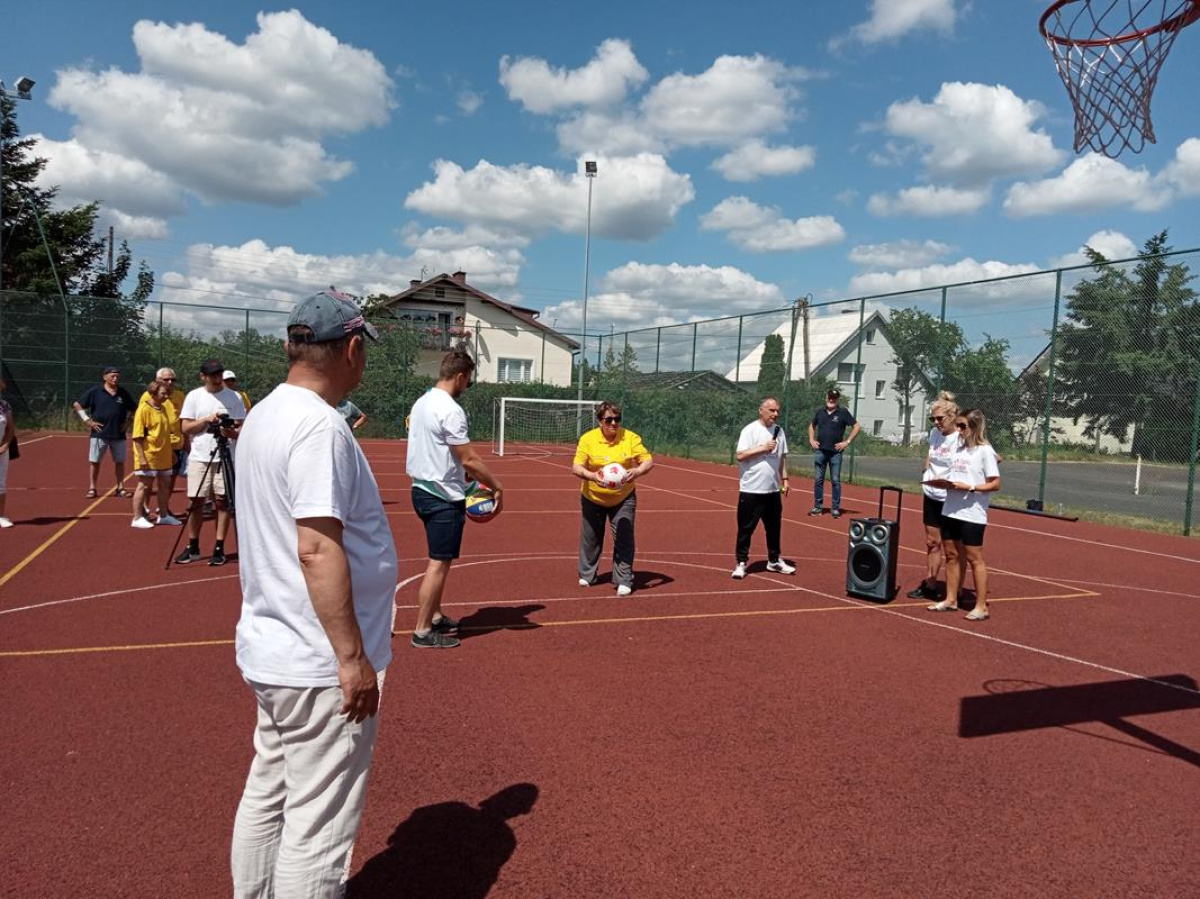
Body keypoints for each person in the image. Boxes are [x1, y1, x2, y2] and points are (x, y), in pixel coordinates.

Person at [230, 289, 397, 897]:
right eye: (364, 350)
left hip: (274, 647)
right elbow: (317, 549)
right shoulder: (319, 426)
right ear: (351, 348)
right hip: (317, 661)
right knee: (319, 826)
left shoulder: (264, 414)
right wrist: (351, 658)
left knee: (269, 792)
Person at [405, 349, 504, 648]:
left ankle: (435, 616)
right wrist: (496, 486)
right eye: (468, 381)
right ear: (460, 377)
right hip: (442, 497)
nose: (466, 386)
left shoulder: (422, 402)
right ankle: (423, 631)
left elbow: (440, 450)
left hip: (421, 489)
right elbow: (469, 458)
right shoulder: (450, 409)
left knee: (441, 560)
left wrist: (462, 475)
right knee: (438, 563)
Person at [571, 400, 654, 596]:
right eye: (609, 420)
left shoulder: (630, 437)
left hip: (623, 498)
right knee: (591, 537)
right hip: (593, 497)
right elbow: (576, 467)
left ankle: (624, 579)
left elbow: (648, 460)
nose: (614, 423)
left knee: (624, 536)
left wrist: (637, 471)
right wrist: (593, 476)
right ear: (600, 421)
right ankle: (587, 574)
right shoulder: (588, 439)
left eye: (617, 419)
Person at [926, 408, 1001, 622]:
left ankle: (981, 606)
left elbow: (995, 483)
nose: (958, 430)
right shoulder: (957, 449)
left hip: (972, 512)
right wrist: (942, 482)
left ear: (974, 427)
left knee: (974, 558)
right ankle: (951, 599)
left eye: (962, 426)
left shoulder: (984, 451)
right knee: (951, 554)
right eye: (957, 425)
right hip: (951, 508)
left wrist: (970, 487)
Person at [176, 358, 247, 566]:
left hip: (225, 455)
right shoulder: (194, 396)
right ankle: (193, 546)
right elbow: (185, 428)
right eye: (212, 375)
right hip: (200, 456)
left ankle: (219, 546)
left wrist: (231, 432)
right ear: (203, 376)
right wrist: (207, 420)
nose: (217, 379)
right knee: (195, 501)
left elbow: (241, 428)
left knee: (222, 501)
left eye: (219, 375)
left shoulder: (234, 397)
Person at [732, 396, 795, 579]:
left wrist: (785, 478)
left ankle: (774, 560)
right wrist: (763, 448)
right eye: (772, 410)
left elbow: (782, 458)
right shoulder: (750, 430)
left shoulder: (779, 431)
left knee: (774, 528)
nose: (775, 414)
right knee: (746, 529)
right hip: (751, 490)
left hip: (772, 491)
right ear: (761, 411)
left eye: (777, 411)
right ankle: (741, 563)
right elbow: (740, 455)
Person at [907, 391, 963, 600]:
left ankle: (955, 590)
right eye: (933, 419)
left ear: (952, 417)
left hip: (951, 497)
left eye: (940, 418)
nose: (936, 423)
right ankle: (930, 584)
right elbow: (930, 455)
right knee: (932, 542)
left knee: (953, 548)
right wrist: (926, 471)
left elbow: (986, 458)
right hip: (931, 494)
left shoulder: (962, 437)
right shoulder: (934, 434)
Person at [73, 366, 136, 498]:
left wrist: (128, 421)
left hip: (118, 434)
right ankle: (92, 488)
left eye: (117, 376)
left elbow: (134, 408)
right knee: (95, 461)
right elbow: (77, 404)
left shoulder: (123, 393)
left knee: (120, 462)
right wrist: (87, 420)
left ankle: (120, 488)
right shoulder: (95, 391)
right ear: (105, 377)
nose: (115, 378)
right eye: (112, 376)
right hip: (99, 433)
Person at [130, 379, 183, 529]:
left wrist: (171, 452)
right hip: (149, 454)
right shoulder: (143, 409)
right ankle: (137, 517)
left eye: (167, 393)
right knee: (144, 485)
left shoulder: (163, 408)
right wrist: (142, 457)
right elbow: (138, 436)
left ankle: (164, 515)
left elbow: (165, 432)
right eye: (163, 393)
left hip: (164, 454)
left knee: (165, 484)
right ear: (153, 393)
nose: (166, 396)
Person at [808, 388, 860, 519]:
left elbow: (856, 427)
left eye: (834, 398)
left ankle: (835, 508)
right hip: (821, 451)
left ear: (837, 400)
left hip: (835, 453)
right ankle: (818, 506)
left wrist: (847, 442)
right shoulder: (820, 412)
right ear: (826, 398)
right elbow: (812, 426)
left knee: (835, 480)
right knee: (818, 480)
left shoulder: (843, 412)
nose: (831, 400)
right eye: (830, 397)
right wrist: (811, 440)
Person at [0, 377, 14, 528]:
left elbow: (10, 428)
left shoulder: (4, 405)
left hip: (1, 451)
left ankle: (1, 516)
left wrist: (4, 446)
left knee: (0, 483)